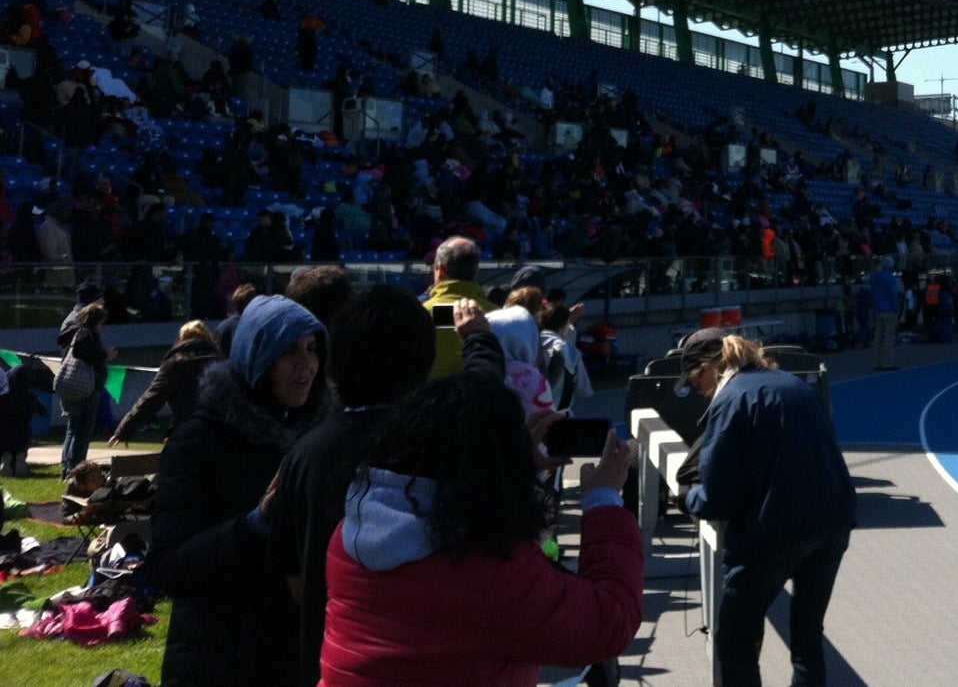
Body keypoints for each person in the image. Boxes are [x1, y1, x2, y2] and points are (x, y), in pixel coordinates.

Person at [319, 372, 642, 686]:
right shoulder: (489, 569)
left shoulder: (353, 534)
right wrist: (603, 500)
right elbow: (607, 624)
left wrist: (518, 473)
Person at [150, 295, 326, 687]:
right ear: (259, 356)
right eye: (289, 351)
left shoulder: (321, 437)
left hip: (295, 659)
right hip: (217, 660)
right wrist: (255, 525)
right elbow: (169, 567)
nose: (306, 364)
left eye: (312, 349)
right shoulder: (198, 439)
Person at [268, 284, 437, 687]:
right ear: (424, 360)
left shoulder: (304, 455)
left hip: (329, 664)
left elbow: (292, 579)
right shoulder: (443, 447)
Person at [681, 331, 857, 687]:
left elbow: (717, 495)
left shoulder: (731, 398)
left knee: (735, 639)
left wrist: (688, 497)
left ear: (710, 368)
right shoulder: (792, 384)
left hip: (776, 529)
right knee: (808, 638)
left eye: (695, 380)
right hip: (833, 521)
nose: (698, 391)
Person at [109, 319, 218, 445]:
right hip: (218, 431)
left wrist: (124, 430)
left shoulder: (175, 364)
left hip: (187, 431)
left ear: (182, 338)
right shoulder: (221, 361)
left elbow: (151, 399)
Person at [422, 235, 492, 378]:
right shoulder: (498, 313)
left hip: (430, 398)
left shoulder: (420, 314)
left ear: (440, 270)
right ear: (476, 271)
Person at [56, 299, 111, 472]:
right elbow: (88, 356)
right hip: (85, 388)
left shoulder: (74, 332)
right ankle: (77, 469)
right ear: (97, 321)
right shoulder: (88, 336)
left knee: (73, 428)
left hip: (69, 385)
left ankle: (67, 468)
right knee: (82, 432)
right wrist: (105, 356)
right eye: (101, 322)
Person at [868, 257, 901, 371]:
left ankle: (877, 362)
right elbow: (893, 296)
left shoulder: (875, 277)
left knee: (877, 337)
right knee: (889, 337)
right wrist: (896, 308)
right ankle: (887, 363)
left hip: (878, 309)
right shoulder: (891, 279)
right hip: (889, 310)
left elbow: (872, 292)